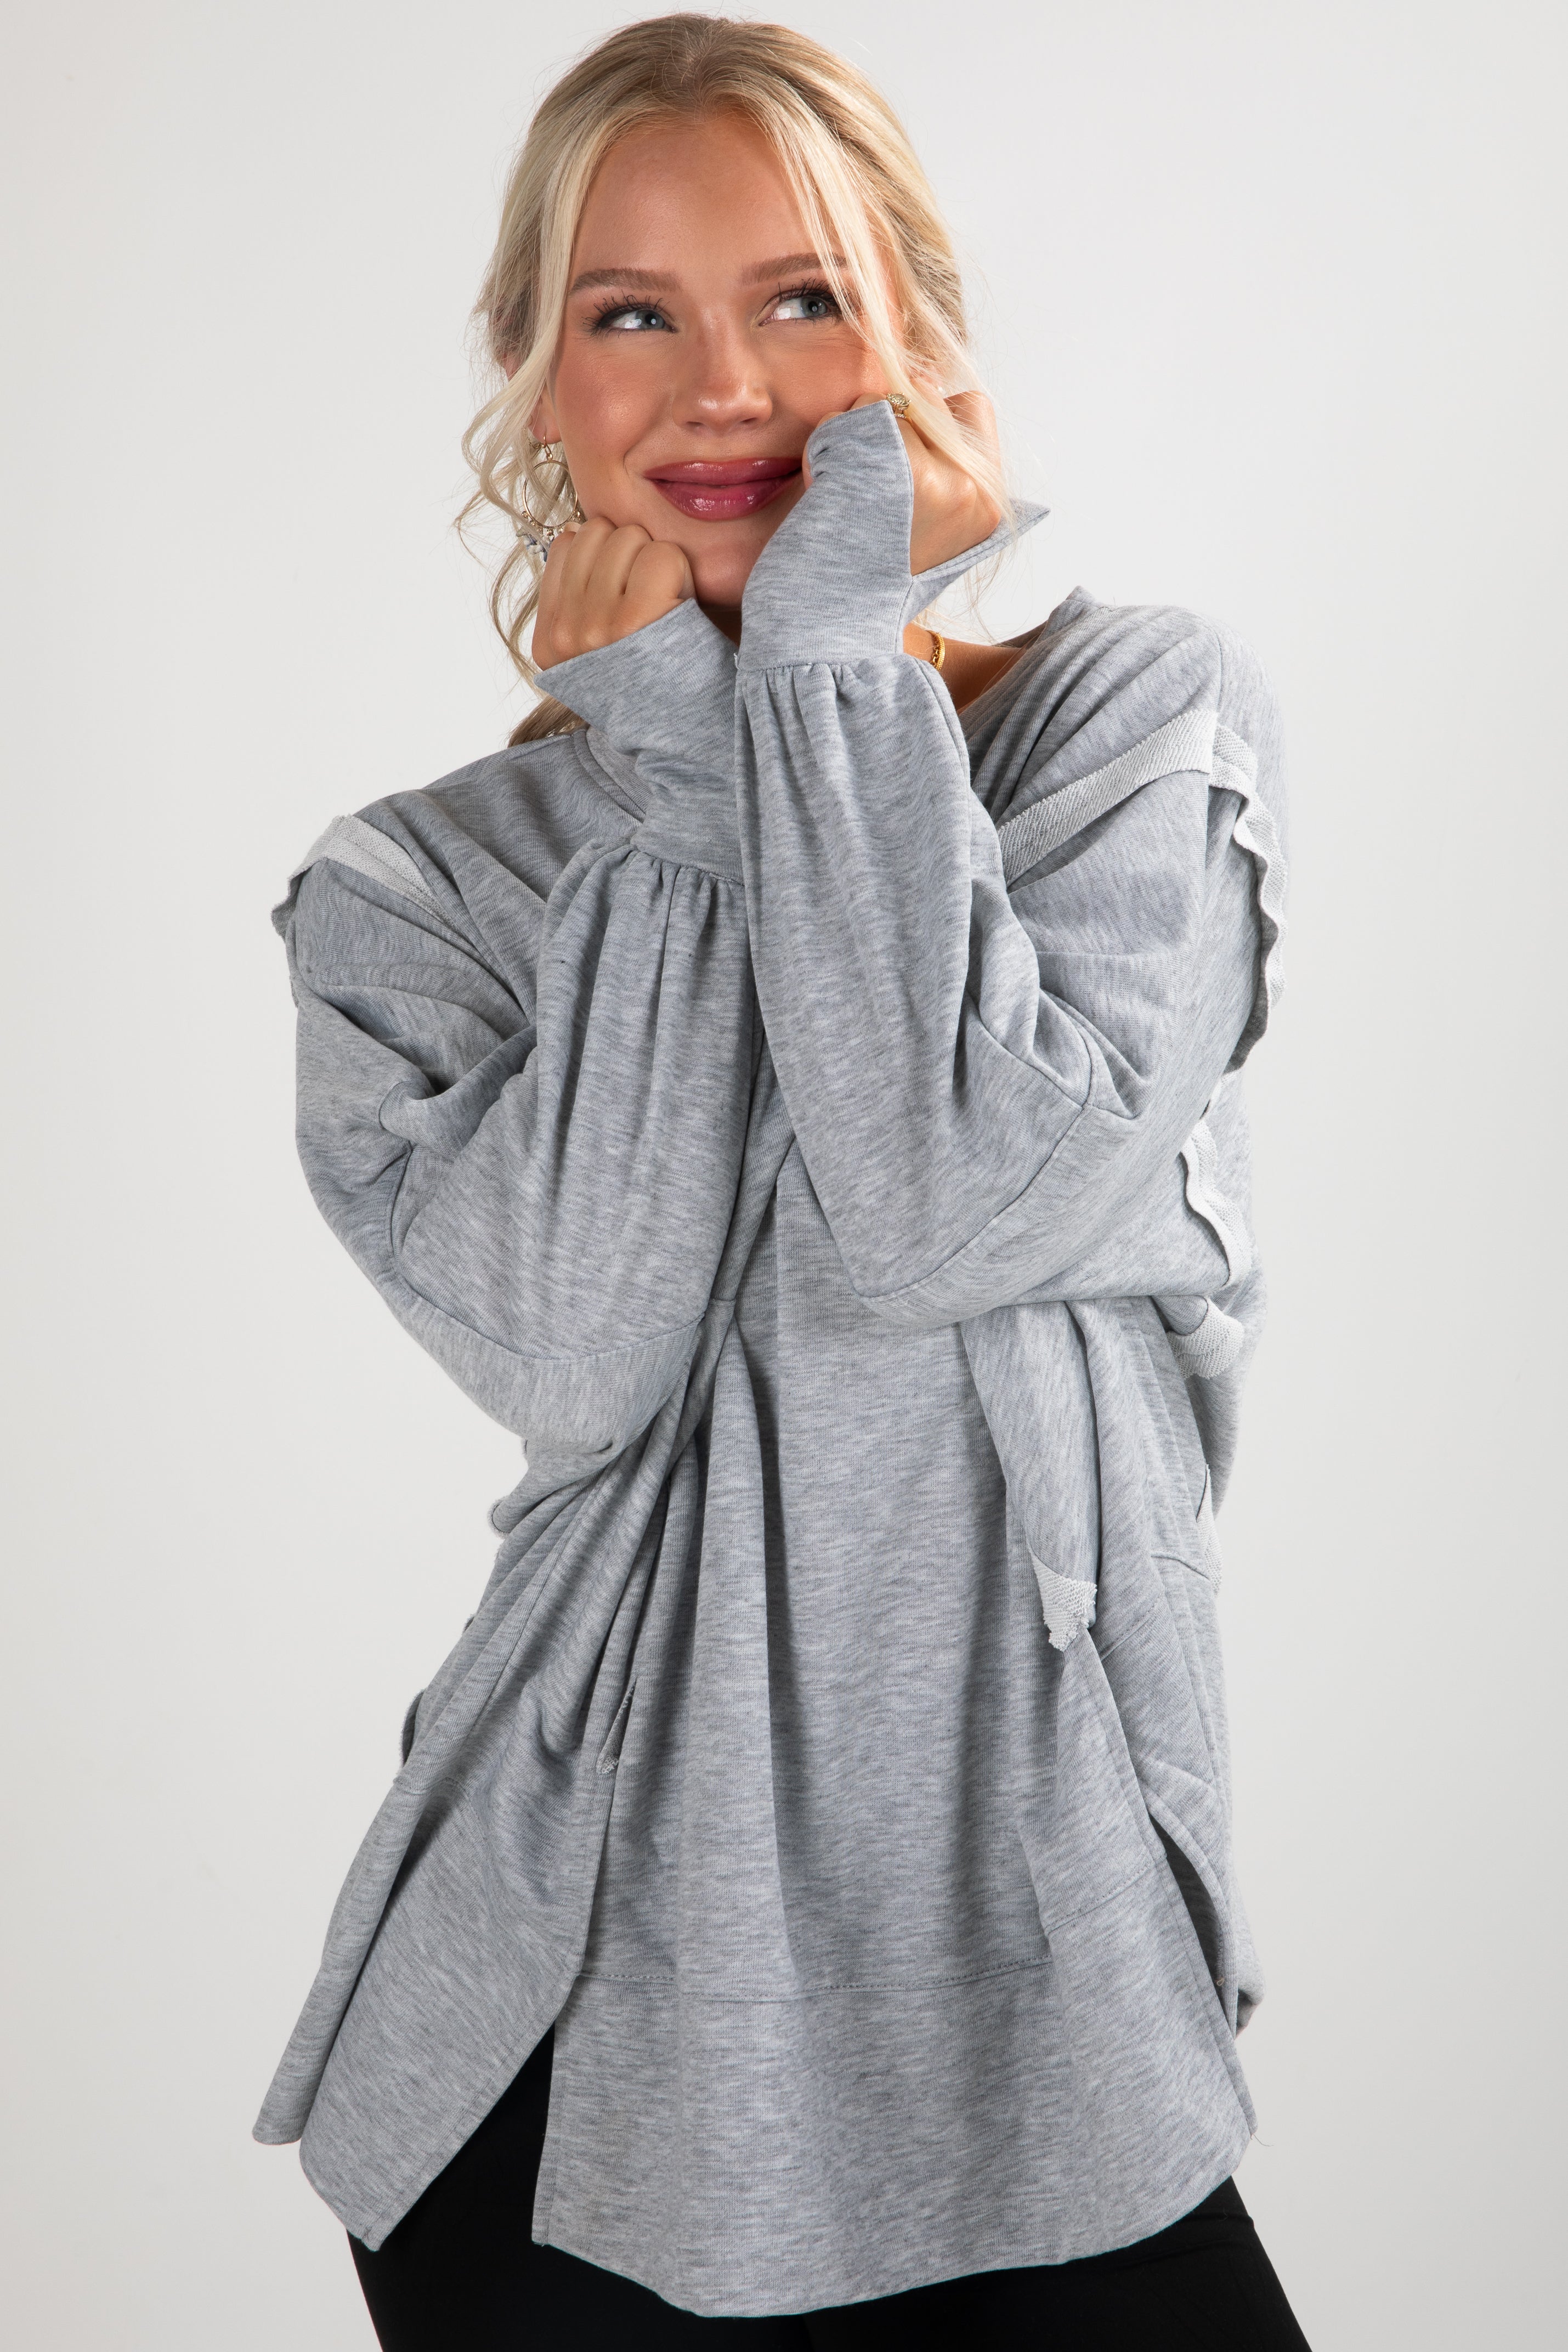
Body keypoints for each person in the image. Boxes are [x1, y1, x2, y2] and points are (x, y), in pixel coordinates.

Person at [256, 15, 1306, 2346]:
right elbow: (583, 1343)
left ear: (916, 339)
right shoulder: (416, 891)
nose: (720, 383)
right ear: (538, 384)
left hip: (1040, 1998)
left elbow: (951, 1197)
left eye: (801, 297)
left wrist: (825, 662)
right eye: (629, 312)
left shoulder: (1122, 729)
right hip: (565, 2032)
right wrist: (673, 773)